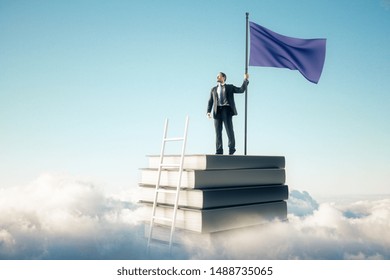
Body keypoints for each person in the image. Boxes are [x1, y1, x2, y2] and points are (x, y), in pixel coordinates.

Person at [207, 72, 249, 155]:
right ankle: (219, 151)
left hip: (226, 110)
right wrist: (208, 111)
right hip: (217, 111)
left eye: (219, 76)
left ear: (223, 78)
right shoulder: (213, 89)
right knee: (218, 132)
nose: (217, 77)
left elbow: (241, 90)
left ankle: (231, 149)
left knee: (229, 131)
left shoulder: (230, 87)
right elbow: (210, 101)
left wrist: (246, 80)